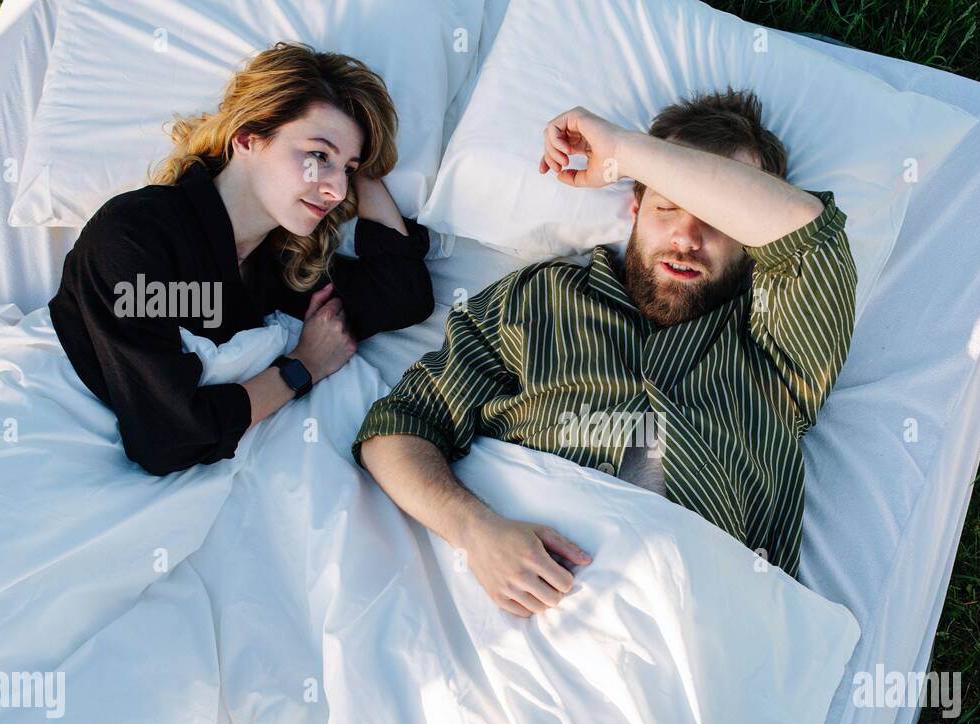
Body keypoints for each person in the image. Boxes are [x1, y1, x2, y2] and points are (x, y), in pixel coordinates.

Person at [354, 88, 856, 617]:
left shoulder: (779, 338)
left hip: (690, 616)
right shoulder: (540, 298)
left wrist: (621, 149)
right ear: (634, 208)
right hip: (513, 598)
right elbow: (398, 428)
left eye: (716, 216)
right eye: (667, 207)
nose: (686, 237)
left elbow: (806, 231)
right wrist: (476, 531)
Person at [49, 41, 435, 476]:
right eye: (317, 155)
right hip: (57, 439)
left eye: (346, 170)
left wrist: (363, 163)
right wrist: (302, 367)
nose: (337, 191)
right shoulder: (137, 235)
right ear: (247, 137)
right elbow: (166, 438)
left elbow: (402, 294)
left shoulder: (280, 263)